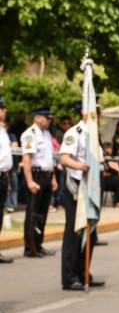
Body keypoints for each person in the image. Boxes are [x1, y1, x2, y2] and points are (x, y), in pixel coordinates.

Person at [58, 102, 104, 291]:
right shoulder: (74, 132)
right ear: (84, 112)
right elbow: (65, 158)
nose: (98, 114)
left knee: (90, 234)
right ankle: (69, 277)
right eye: (96, 110)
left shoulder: (92, 135)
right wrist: (81, 167)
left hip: (92, 186)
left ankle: (83, 271)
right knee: (74, 232)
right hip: (76, 187)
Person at [21, 107, 58, 257]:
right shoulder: (30, 135)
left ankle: (39, 243)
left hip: (47, 175)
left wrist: (53, 178)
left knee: (42, 213)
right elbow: (26, 159)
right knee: (33, 213)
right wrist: (30, 181)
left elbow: (50, 159)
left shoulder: (47, 134)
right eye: (45, 118)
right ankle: (30, 247)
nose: (48, 120)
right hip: (35, 176)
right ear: (36, 118)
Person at [0, 98, 13, 264]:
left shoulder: (2, 130)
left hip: (2, 176)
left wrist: (7, 179)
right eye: (2, 108)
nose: (5, 111)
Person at [100, 142, 119, 207]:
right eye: (108, 148)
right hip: (107, 178)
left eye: (110, 148)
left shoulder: (113, 158)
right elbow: (107, 169)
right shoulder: (103, 158)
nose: (110, 150)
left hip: (116, 176)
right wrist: (118, 173)